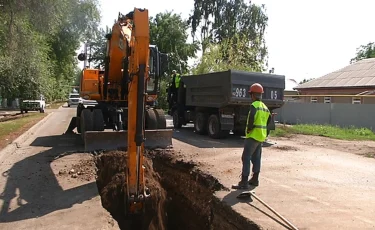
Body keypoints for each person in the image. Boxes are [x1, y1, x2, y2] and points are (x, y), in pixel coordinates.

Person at [232, 83, 271, 189]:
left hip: (253, 136)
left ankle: (244, 182)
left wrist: (249, 129)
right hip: (260, 137)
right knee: (257, 158)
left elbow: (251, 119)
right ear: (261, 95)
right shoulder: (265, 107)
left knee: (246, 157)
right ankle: (255, 179)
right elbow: (269, 121)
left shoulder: (254, 106)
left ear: (253, 95)